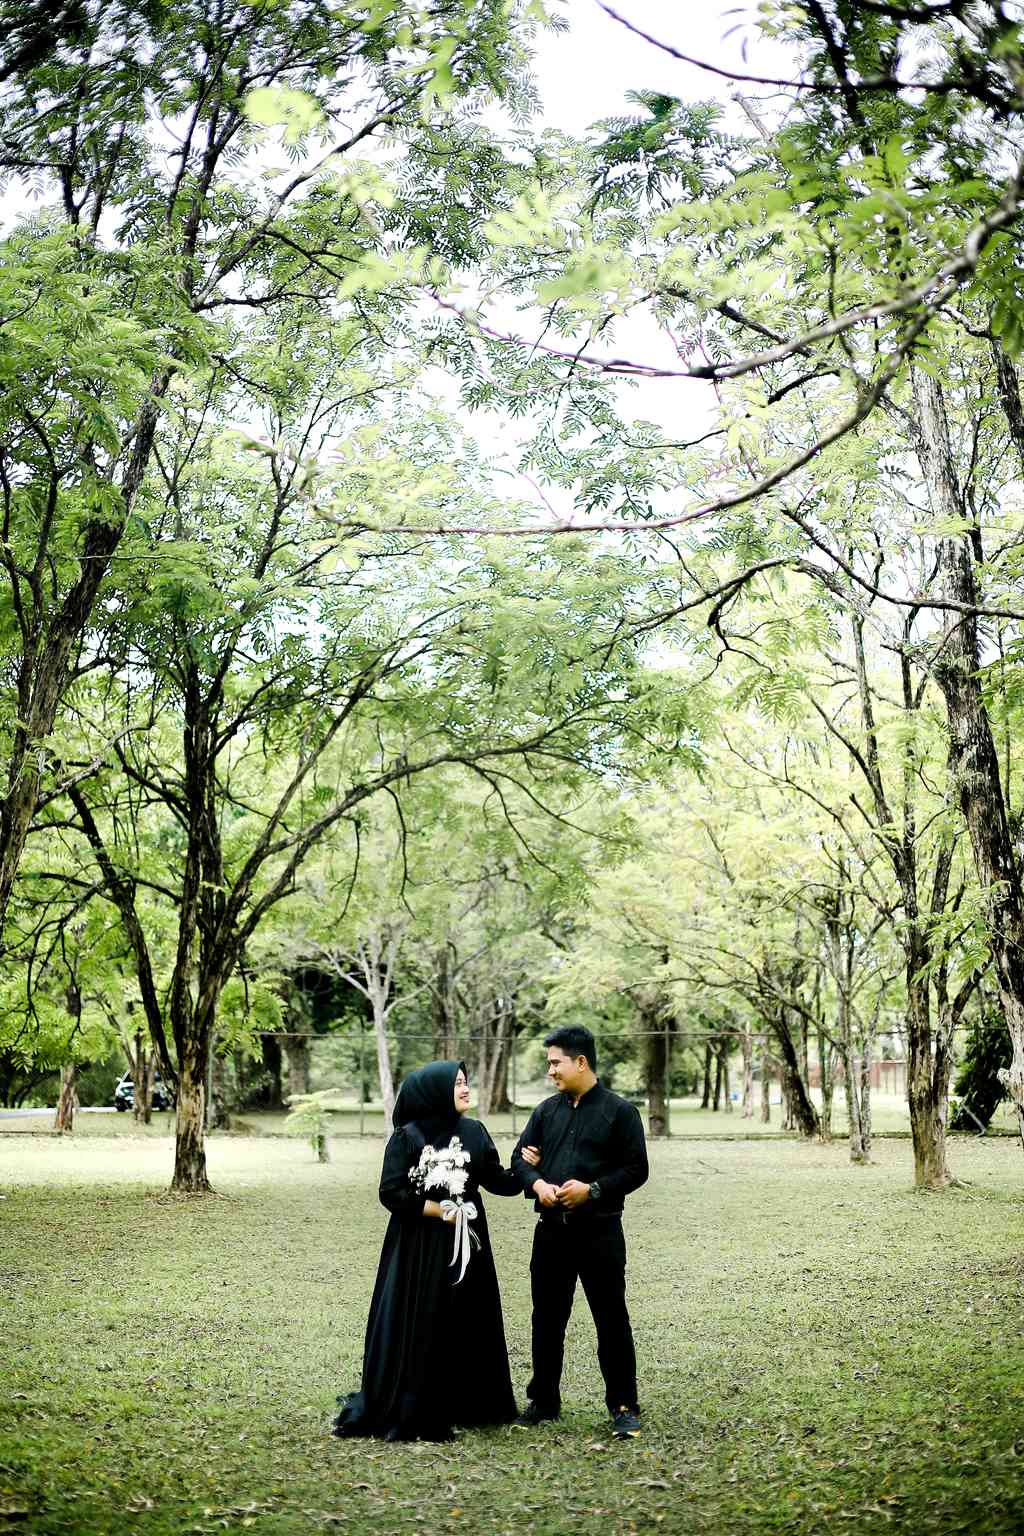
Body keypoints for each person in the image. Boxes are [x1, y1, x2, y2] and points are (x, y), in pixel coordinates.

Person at [331, 1060, 521, 1442]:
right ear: (435, 1091)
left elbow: (496, 1180)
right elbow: (391, 1192)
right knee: (424, 1315)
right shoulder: (408, 1136)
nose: (466, 1089)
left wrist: (526, 1169)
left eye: (466, 1082)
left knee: (467, 1313)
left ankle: (468, 1401)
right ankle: (416, 1400)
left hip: (468, 1240)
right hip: (419, 1246)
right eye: (458, 1084)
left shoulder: (474, 1131)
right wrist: (438, 1210)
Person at [511, 1025, 649, 1439]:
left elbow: (636, 1169)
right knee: (546, 1320)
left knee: (611, 1320)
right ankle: (543, 1401)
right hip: (551, 1234)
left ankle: (623, 1406)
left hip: (600, 1234)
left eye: (556, 1062)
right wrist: (537, 1183)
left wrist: (593, 1190)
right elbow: (519, 1160)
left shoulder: (620, 1113)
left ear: (581, 1062)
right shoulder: (545, 1112)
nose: (550, 1070)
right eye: (549, 1063)